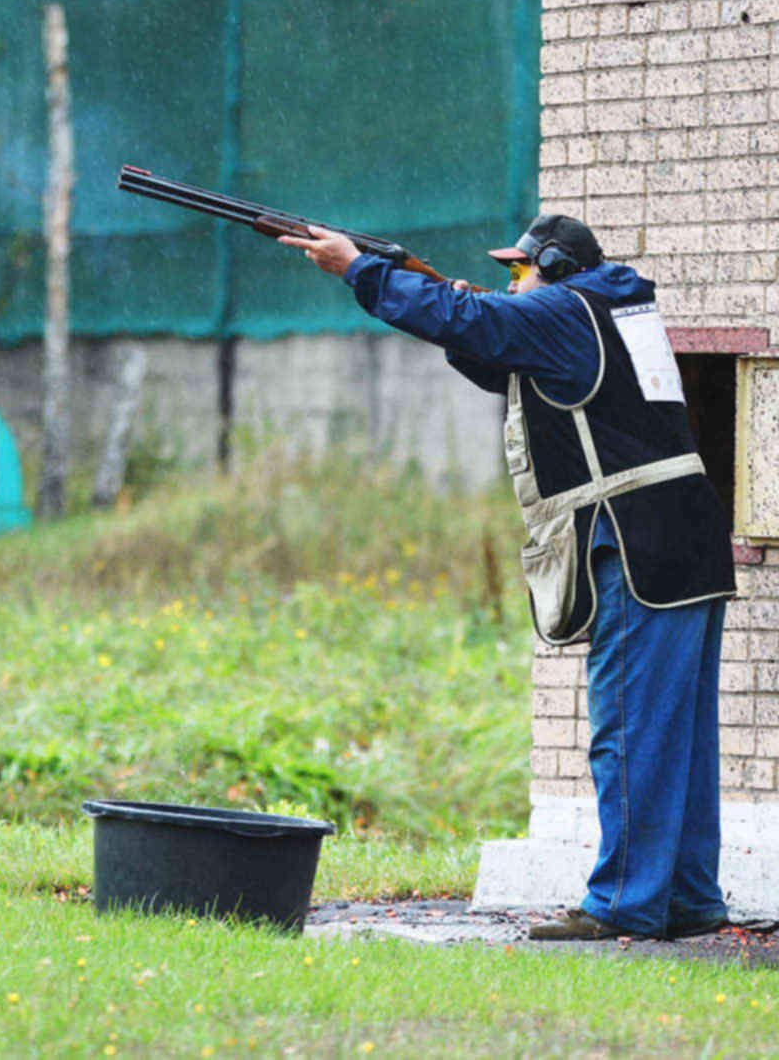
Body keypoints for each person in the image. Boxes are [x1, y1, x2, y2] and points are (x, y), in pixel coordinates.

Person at [279, 215, 736, 941]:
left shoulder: (563, 309)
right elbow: (490, 345)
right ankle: (687, 893)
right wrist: (447, 303)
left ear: (553, 267)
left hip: (639, 544)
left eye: (520, 270)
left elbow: (473, 318)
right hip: (689, 541)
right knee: (678, 733)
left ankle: (623, 900)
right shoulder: (609, 312)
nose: (510, 281)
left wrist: (359, 269)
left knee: (628, 728)